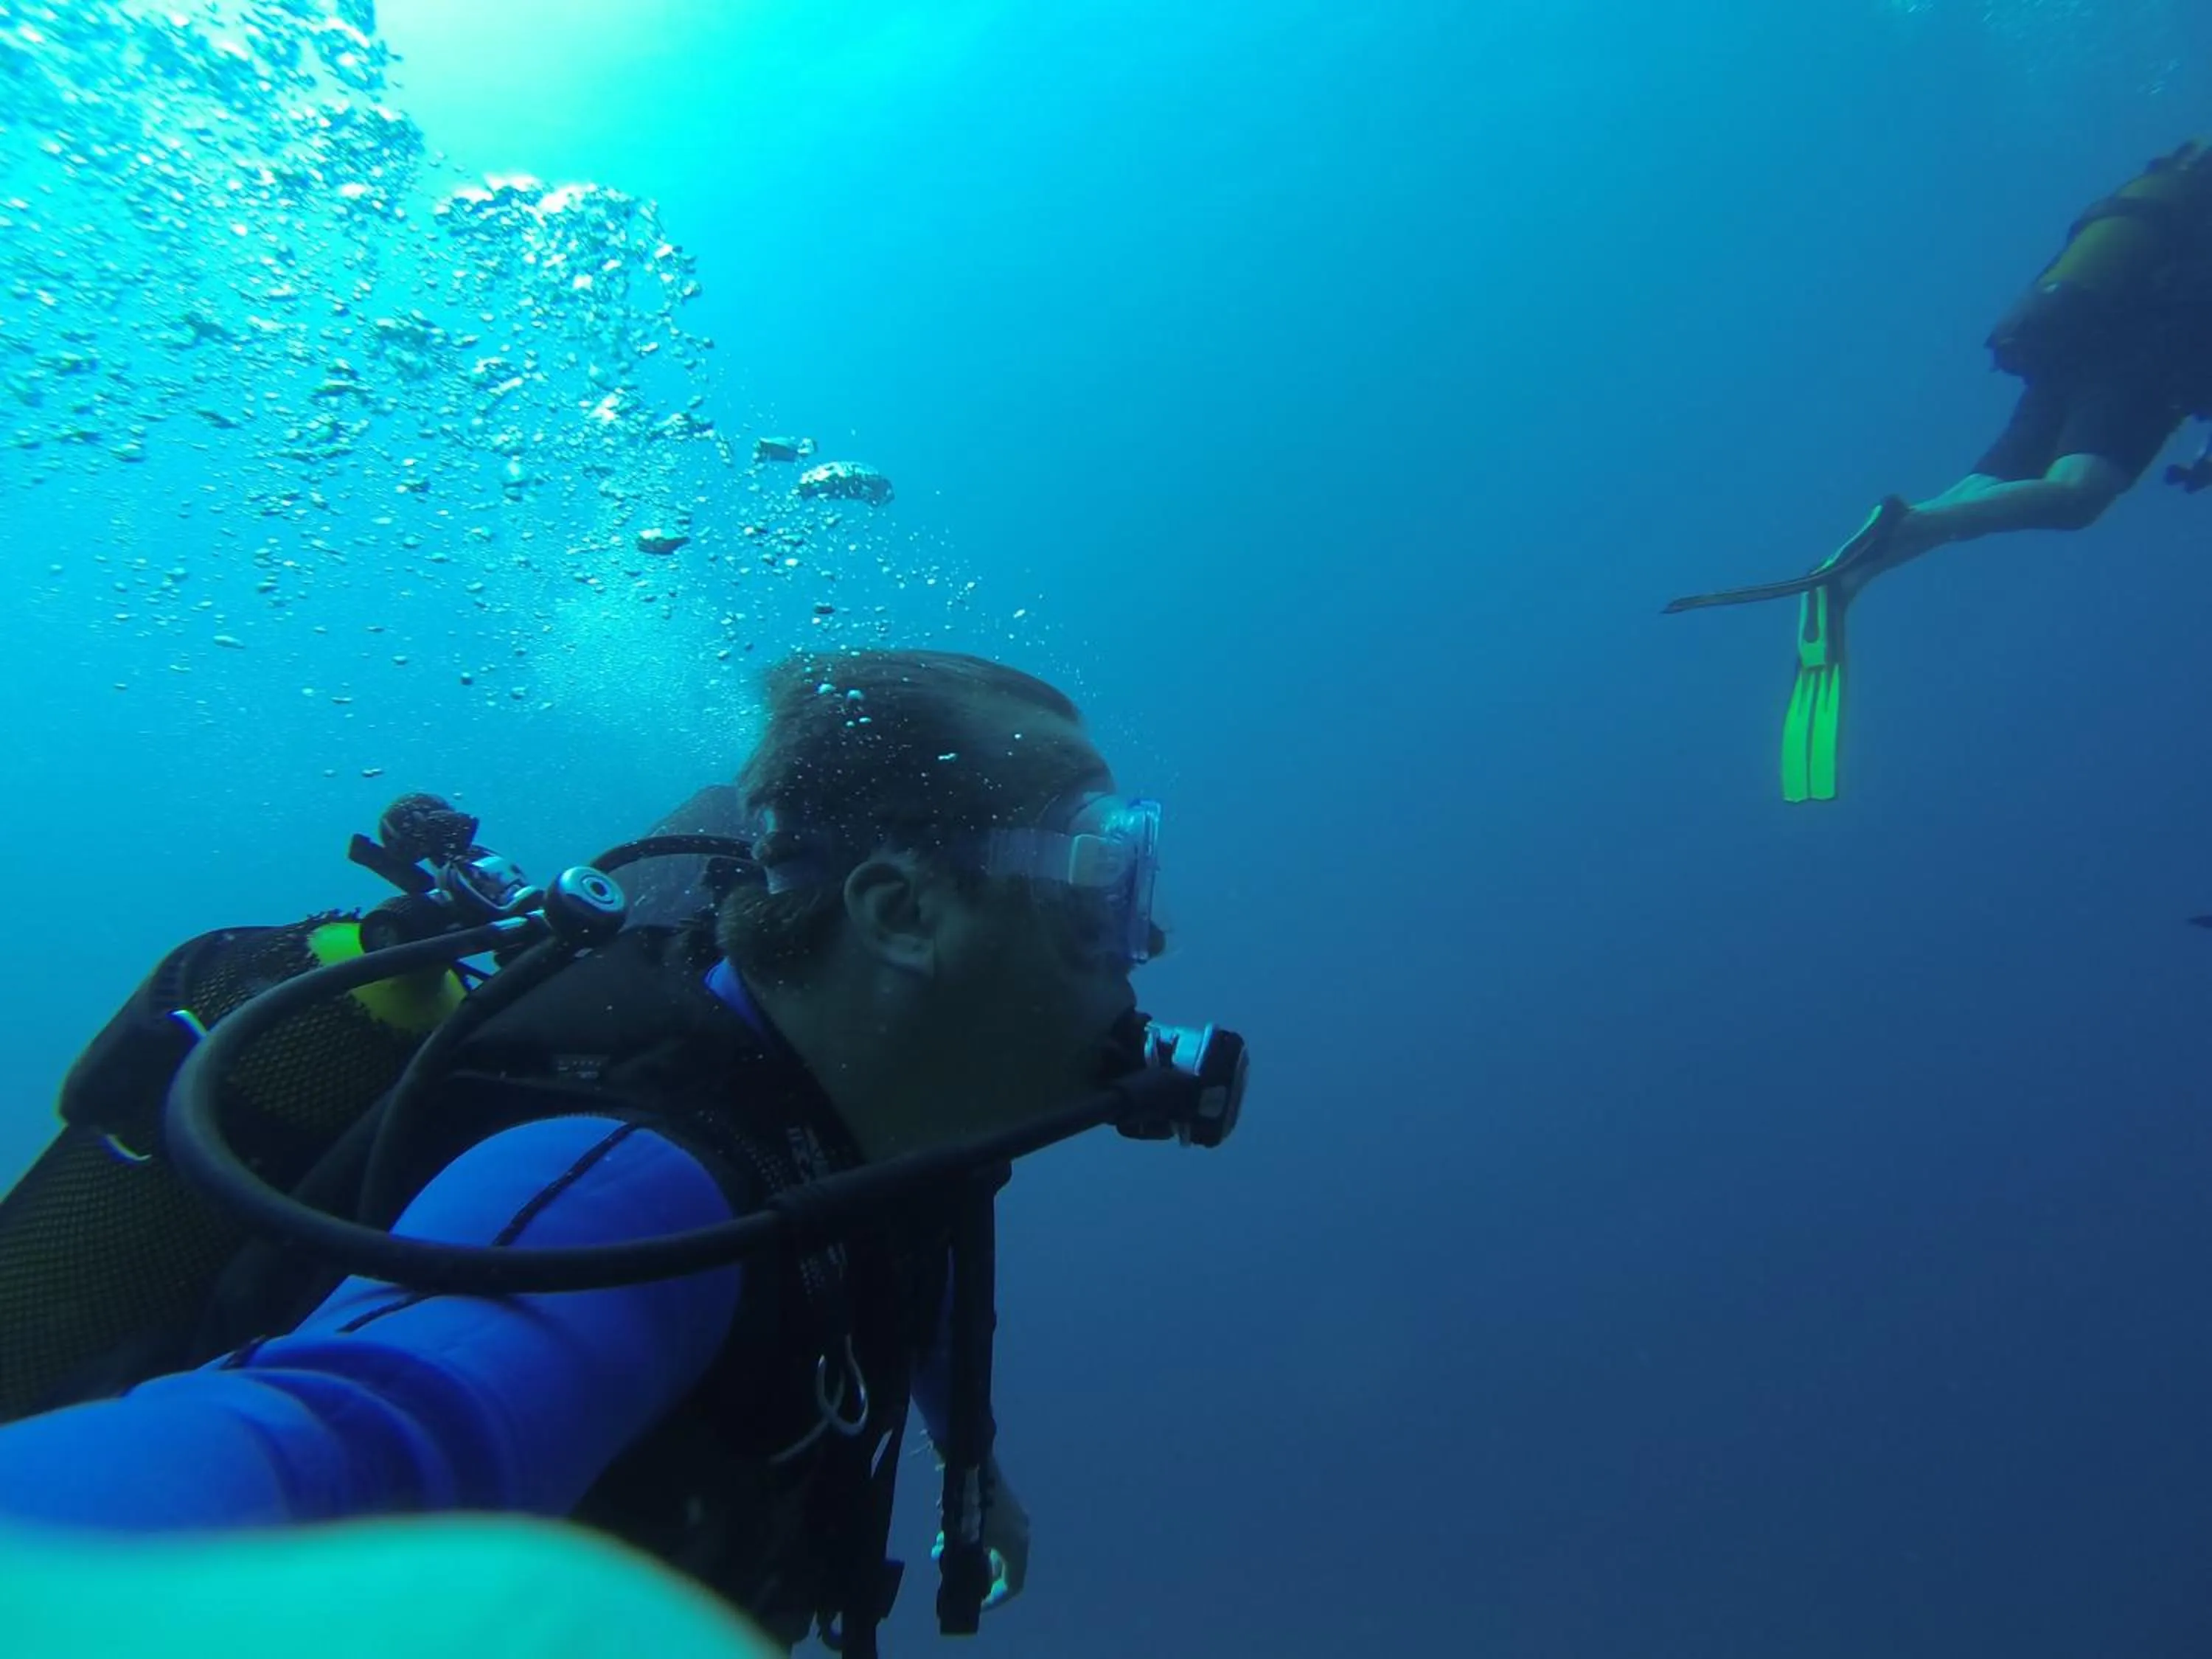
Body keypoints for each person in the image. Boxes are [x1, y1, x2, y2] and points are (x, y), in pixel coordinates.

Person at [0, 647, 1201, 1655]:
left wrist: (966, 1453)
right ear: (899, 913)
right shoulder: (634, 1190)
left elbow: (919, 1226)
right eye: (1109, 877)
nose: (1149, 935)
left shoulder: (893, 1122)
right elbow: (348, 1438)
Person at [1666, 137, 2212, 801]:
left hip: (2070, 337)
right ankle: (1906, 523)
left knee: (1986, 492)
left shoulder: (2171, 187)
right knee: (2077, 497)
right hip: (2146, 356)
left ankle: (1853, 572)